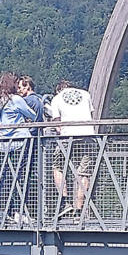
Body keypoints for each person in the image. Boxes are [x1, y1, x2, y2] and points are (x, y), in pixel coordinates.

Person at [0, 72, 40, 225]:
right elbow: (32, 115)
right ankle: (20, 212)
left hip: (5, 144)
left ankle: (6, 210)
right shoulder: (17, 99)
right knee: (23, 178)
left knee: (9, 177)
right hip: (21, 141)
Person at [47, 79, 96, 218]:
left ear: (58, 90)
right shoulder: (85, 94)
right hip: (87, 135)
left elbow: (58, 124)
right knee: (84, 172)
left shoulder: (56, 99)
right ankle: (79, 209)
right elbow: (90, 115)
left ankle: (65, 201)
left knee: (58, 166)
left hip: (68, 136)